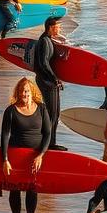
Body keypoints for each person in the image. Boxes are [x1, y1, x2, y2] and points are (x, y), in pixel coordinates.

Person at [1, 77, 52, 213]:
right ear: (17, 92)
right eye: (22, 91)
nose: (24, 94)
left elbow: (48, 134)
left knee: (32, 189)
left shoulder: (42, 109)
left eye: (27, 91)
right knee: (14, 189)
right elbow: (4, 136)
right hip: (15, 155)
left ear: (32, 92)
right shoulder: (10, 111)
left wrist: (41, 155)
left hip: (34, 156)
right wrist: (5, 159)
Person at [33, 16, 65, 150]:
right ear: (51, 28)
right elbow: (43, 63)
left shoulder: (48, 40)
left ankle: (51, 142)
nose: (60, 29)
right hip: (46, 81)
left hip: (49, 80)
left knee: (55, 113)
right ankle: (48, 143)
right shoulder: (45, 41)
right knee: (52, 114)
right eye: (58, 26)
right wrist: (54, 78)